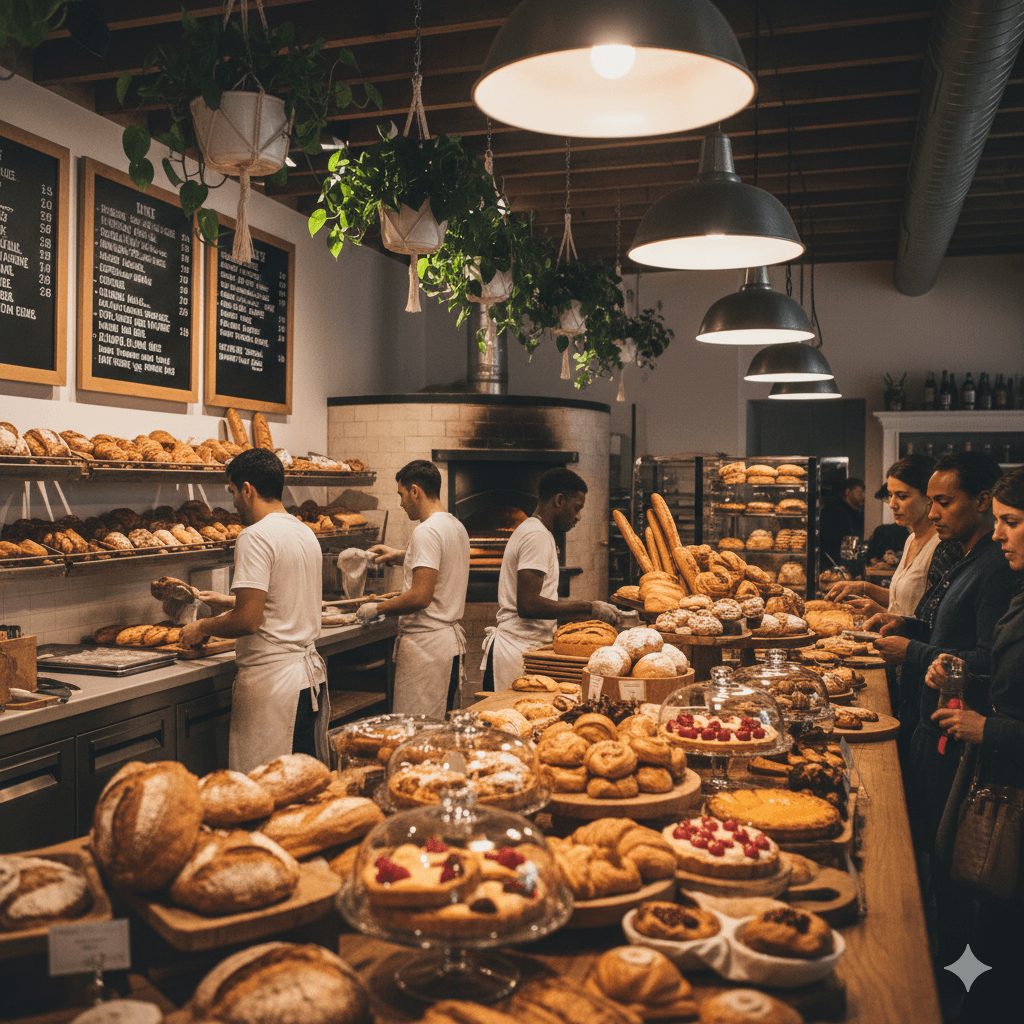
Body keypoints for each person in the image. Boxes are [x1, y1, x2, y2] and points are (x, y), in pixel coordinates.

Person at [865, 451, 1017, 851]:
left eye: (943, 502)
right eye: (931, 502)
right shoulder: (969, 555)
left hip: (956, 732)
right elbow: (954, 633)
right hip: (936, 722)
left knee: (943, 851)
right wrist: (910, 625)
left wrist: (912, 650)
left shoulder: (997, 568)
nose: (933, 513)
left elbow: (987, 658)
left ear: (981, 501)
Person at [927, 467, 1024, 1005]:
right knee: (989, 923)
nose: (996, 533)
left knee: (1006, 941)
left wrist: (990, 729)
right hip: (1001, 786)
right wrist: (962, 675)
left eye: (1010, 522)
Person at [180, 448, 327, 774]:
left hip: (274, 687)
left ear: (248, 489)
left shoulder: (254, 536)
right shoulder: (305, 532)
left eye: (232, 492)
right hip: (306, 682)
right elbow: (286, 599)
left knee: (267, 790)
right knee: (299, 790)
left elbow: (248, 621)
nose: (232, 502)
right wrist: (231, 600)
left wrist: (201, 627)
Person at [480, 466, 621, 691]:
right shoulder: (536, 536)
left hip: (526, 648)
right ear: (558, 500)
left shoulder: (536, 531)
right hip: (518, 653)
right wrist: (589, 608)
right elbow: (528, 605)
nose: (578, 517)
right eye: (576, 508)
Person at [358, 460, 470, 717]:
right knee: (441, 729)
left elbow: (420, 597)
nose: (400, 503)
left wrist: (376, 608)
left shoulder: (426, 531)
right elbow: (439, 564)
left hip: (426, 650)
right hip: (447, 646)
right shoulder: (455, 526)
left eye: (401, 494)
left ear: (416, 491)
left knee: (418, 735)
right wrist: (399, 556)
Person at [827, 454, 938, 616]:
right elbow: (905, 598)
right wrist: (864, 587)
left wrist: (880, 612)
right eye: (890, 495)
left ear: (928, 498)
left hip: (908, 641)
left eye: (901, 496)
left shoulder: (940, 546)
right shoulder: (911, 539)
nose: (892, 504)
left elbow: (934, 621)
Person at [818, 476, 865, 568]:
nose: (863, 496)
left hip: (850, 564)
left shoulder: (856, 512)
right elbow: (828, 542)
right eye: (859, 493)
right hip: (832, 565)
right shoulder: (832, 510)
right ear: (848, 492)